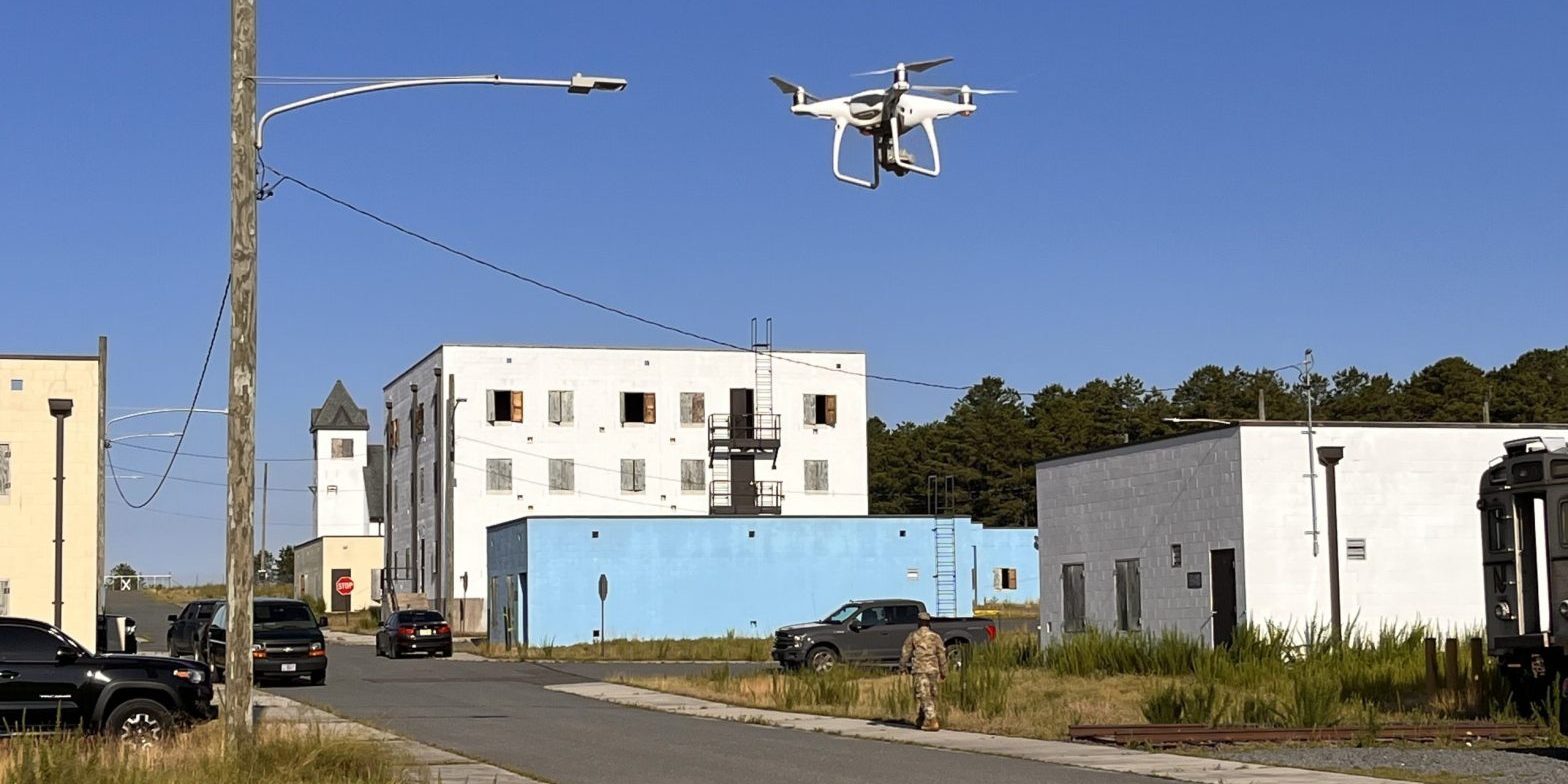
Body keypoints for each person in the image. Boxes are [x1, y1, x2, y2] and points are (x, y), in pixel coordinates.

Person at [899, 610, 948, 731]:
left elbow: (906, 652)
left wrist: (902, 666)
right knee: (930, 694)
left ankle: (932, 720)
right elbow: (941, 654)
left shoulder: (913, 636)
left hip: (920, 669)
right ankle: (922, 719)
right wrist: (944, 671)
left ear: (919, 622)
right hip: (933, 669)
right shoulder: (935, 637)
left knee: (923, 694)